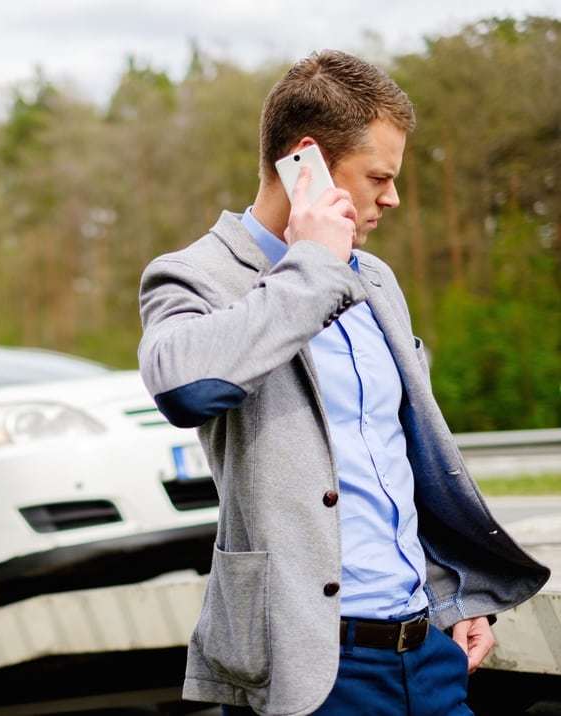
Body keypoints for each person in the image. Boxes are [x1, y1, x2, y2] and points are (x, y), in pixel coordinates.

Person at [137, 50, 549, 716]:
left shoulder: (378, 279)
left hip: (430, 656)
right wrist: (311, 267)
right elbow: (185, 389)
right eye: (379, 176)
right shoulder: (194, 277)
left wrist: (453, 596)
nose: (392, 197)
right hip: (313, 673)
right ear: (308, 164)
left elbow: (395, 461)